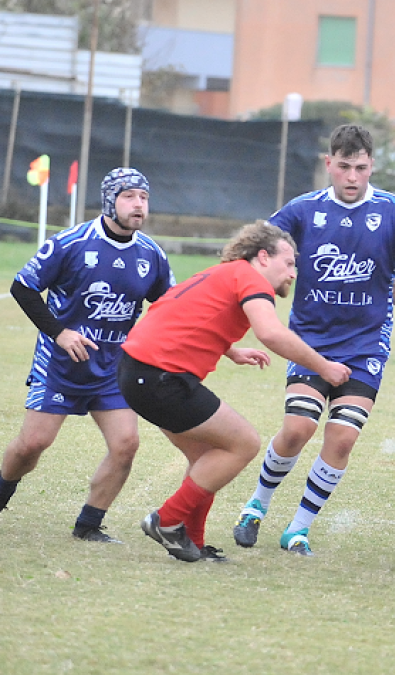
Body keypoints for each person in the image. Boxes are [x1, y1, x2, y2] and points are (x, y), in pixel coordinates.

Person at [231, 124, 395, 556]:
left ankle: (298, 528)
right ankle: (257, 505)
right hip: (311, 342)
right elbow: (256, 251)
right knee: (297, 429)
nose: (351, 177)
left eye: (360, 168)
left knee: (342, 438)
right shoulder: (303, 210)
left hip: (366, 345)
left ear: (372, 167)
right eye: (343, 167)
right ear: (329, 164)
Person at [120, 221, 351, 562]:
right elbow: (270, 333)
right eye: (288, 263)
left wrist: (231, 350)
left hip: (135, 371)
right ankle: (167, 520)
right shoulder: (251, 279)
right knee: (244, 442)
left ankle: (192, 542)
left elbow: (181, 311)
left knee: (207, 455)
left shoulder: (225, 273)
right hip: (160, 376)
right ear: (262, 257)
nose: (293, 273)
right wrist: (324, 367)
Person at [0, 168, 174, 542]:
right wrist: (60, 333)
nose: (138, 204)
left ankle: (89, 525)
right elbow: (23, 288)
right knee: (33, 444)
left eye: (143, 197)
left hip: (113, 368)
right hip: (60, 364)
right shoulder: (70, 242)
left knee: (126, 445)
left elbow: (170, 309)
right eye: (129, 196)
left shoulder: (152, 255)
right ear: (110, 200)